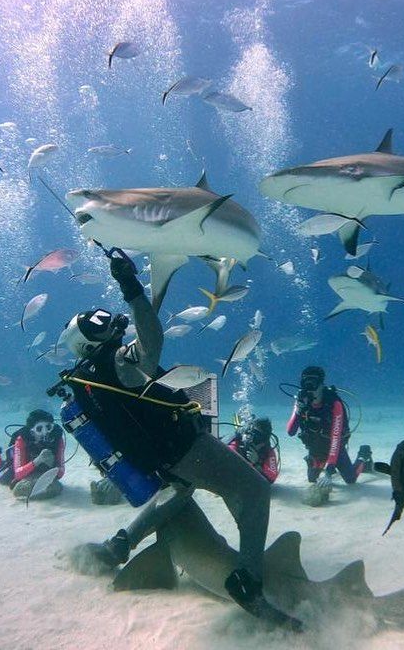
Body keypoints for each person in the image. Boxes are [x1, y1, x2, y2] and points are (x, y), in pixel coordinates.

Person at [58, 256, 299, 629]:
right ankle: (247, 581)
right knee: (253, 491)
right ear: (90, 341)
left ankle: (119, 544)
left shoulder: (90, 380)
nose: (109, 323)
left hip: (161, 458)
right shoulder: (118, 362)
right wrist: (131, 287)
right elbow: (152, 342)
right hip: (186, 448)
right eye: (99, 324)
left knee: (181, 487)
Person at [286, 365, 372, 489]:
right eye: (306, 382)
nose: (309, 387)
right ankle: (321, 462)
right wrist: (298, 411)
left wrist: (329, 470)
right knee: (312, 479)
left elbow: (336, 438)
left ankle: (364, 456)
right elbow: (290, 432)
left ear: (321, 384)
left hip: (335, 445)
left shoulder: (334, 403)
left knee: (351, 479)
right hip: (315, 446)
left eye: (313, 382)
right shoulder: (301, 402)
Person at [0, 409, 65, 499]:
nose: (45, 432)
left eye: (48, 427)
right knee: (2, 478)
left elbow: (61, 472)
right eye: (39, 428)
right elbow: (18, 474)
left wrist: (55, 468)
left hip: (33, 466)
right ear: (32, 430)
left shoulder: (57, 438)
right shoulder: (22, 439)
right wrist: (37, 461)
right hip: (19, 457)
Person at [227, 415, 279, 484]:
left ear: (264, 442)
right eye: (253, 437)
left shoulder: (267, 451)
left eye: (259, 440)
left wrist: (256, 464)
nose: (252, 442)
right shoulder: (236, 444)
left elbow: (273, 477)